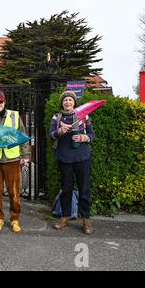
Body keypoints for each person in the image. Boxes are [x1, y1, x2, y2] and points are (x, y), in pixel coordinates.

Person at [49, 90, 95, 234]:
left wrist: (83, 138)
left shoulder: (83, 116)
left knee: (84, 189)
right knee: (66, 189)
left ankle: (86, 219)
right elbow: (51, 135)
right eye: (65, 100)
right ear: (62, 103)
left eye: (70, 100)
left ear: (74, 102)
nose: (67, 102)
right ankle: (65, 216)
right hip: (64, 157)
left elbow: (92, 134)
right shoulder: (57, 117)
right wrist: (60, 131)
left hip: (82, 157)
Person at [0, 89, 30, 233]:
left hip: (12, 159)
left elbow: (23, 135)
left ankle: (15, 219)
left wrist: (25, 155)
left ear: (5, 102)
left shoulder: (14, 116)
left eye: (0, 101)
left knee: (14, 192)